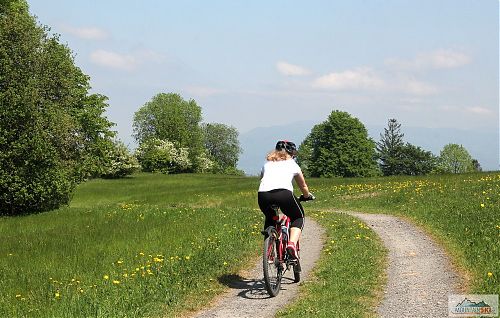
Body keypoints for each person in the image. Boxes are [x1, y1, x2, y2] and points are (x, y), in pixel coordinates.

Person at [257, 140, 314, 259]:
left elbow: (262, 179)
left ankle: (269, 253)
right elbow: (303, 186)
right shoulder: (292, 164)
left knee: (270, 218)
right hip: (284, 194)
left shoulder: (267, 164)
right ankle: (292, 244)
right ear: (292, 153)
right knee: (298, 217)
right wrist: (307, 196)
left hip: (263, 195)